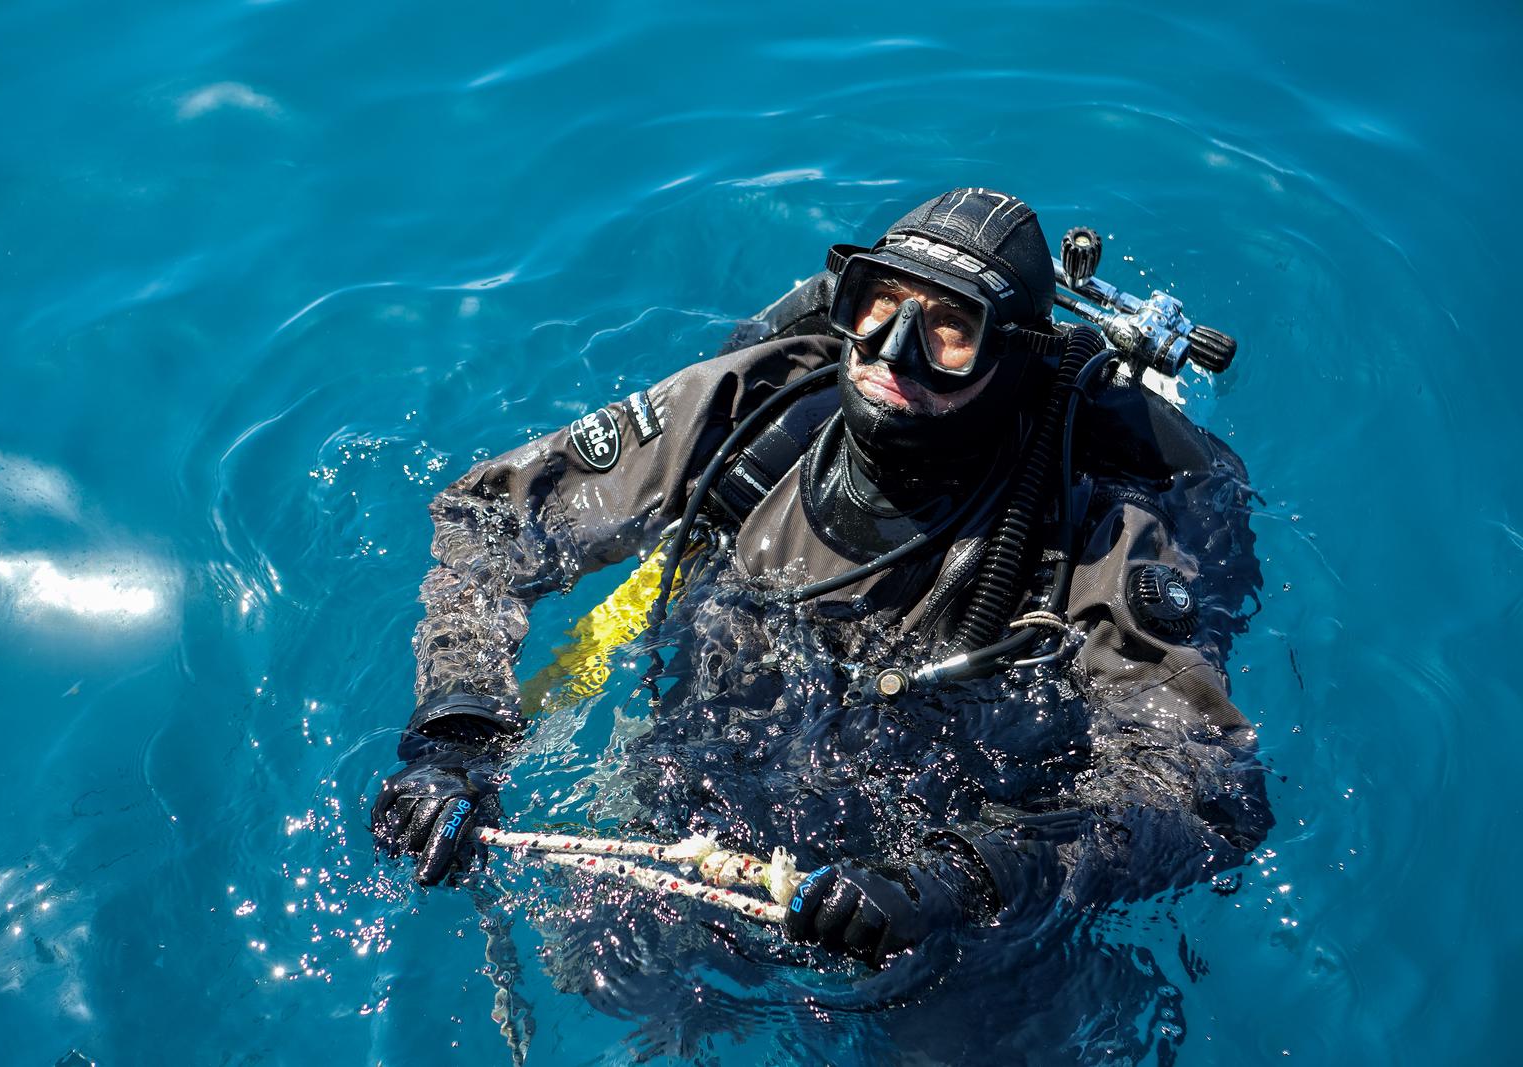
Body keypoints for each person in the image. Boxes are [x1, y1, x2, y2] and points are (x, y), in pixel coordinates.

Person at [369, 187, 1272, 970]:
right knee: (608, 969)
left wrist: (962, 878)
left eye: (949, 332)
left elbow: (1201, 791)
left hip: (956, 871)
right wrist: (456, 733)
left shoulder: (1098, 534)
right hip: (710, 786)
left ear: (1017, 357)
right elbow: (491, 519)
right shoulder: (759, 409)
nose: (892, 353)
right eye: (879, 307)